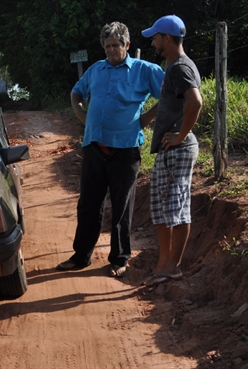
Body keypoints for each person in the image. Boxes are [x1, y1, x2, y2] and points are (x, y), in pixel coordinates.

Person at [56, 21, 164, 278]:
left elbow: (169, 95)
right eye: (107, 46)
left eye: (116, 45)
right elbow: (76, 93)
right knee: (88, 204)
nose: (111, 50)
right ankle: (81, 256)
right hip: (95, 147)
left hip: (125, 150)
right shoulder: (95, 70)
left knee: (121, 205)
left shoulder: (144, 70)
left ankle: (119, 258)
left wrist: (145, 120)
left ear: (127, 45)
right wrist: (82, 116)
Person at [140, 15, 203, 287]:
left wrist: (181, 135)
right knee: (163, 208)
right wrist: (146, 119)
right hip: (169, 150)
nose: (152, 41)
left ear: (167, 38)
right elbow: (174, 102)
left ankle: (172, 266)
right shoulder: (173, 67)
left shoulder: (179, 67)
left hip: (177, 149)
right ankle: (163, 265)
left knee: (176, 207)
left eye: (155, 37)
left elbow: (195, 101)